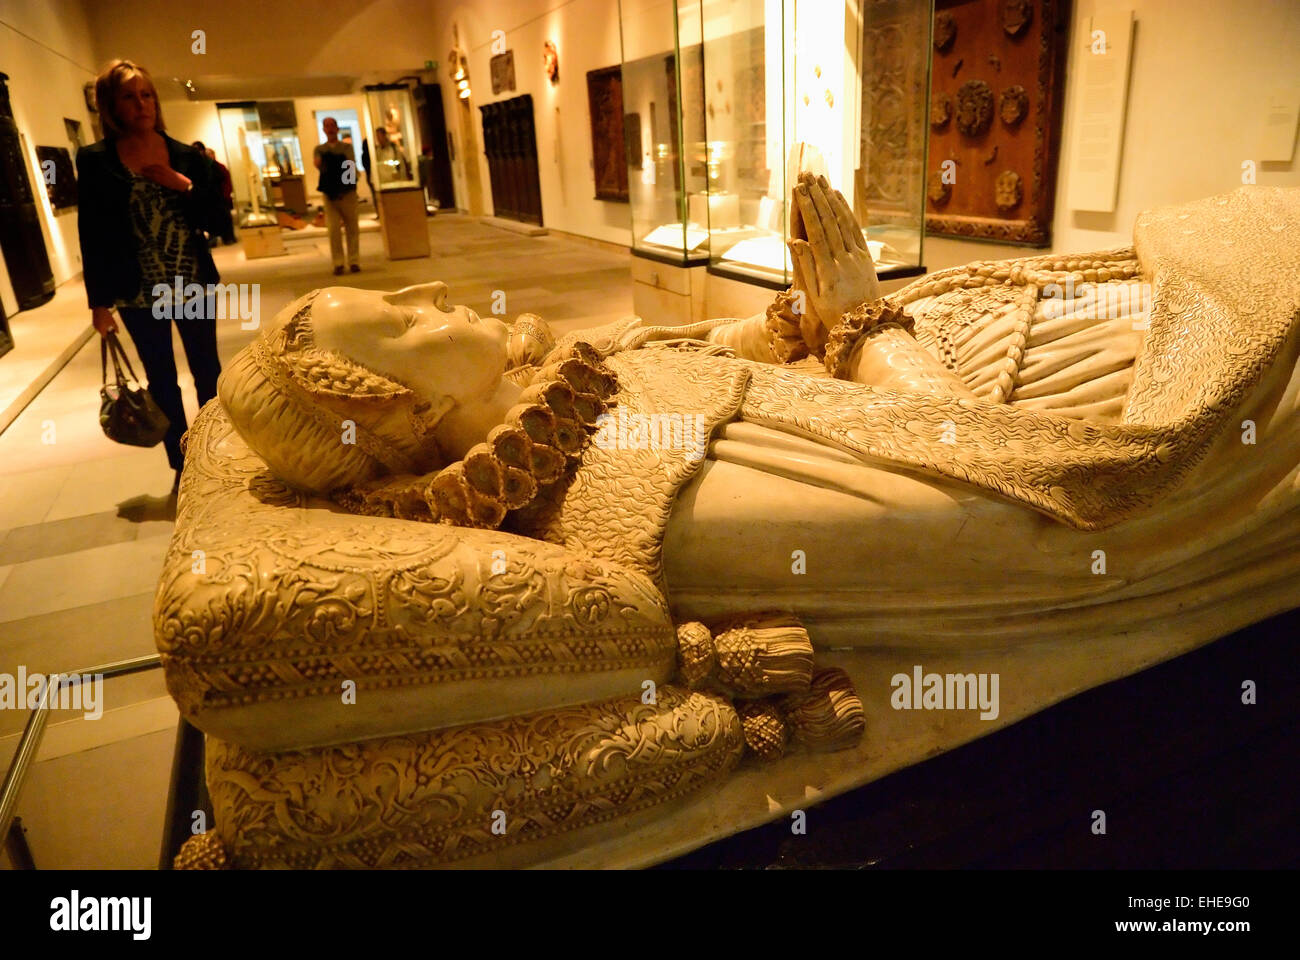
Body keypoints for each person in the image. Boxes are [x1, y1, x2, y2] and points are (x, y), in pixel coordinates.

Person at [77, 59, 224, 491]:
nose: (140, 103)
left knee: (207, 370)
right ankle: (182, 464)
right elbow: (92, 233)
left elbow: (218, 220)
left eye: (147, 94)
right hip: (137, 289)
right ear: (111, 105)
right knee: (161, 378)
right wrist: (98, 302)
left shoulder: (185, 156)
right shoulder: (96, 161)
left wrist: (185, 186)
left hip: (190, 279)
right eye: (129, 95)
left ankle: (215, 452)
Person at [313, 117, 360, 275]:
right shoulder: (319, 149)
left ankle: (354, 260)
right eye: (327, 126)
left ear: (337, 128)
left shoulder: (346, 147)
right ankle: (338, 262)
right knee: (333, 229)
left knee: (352, 227)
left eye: (332, 125)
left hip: (347, 192)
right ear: (324, 129)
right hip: (329, 193)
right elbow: (319, 164)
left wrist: (346, 187)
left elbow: (350, 166)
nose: (330, 129)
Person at [193, 141, 236, 245]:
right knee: (210, 219)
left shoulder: (215, 165)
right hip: (206, 198)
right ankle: (213, 238)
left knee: (224, 217)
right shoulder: (196, 165)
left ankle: (228, 237)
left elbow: (225, 180)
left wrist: (225, 194)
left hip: (219, 196)